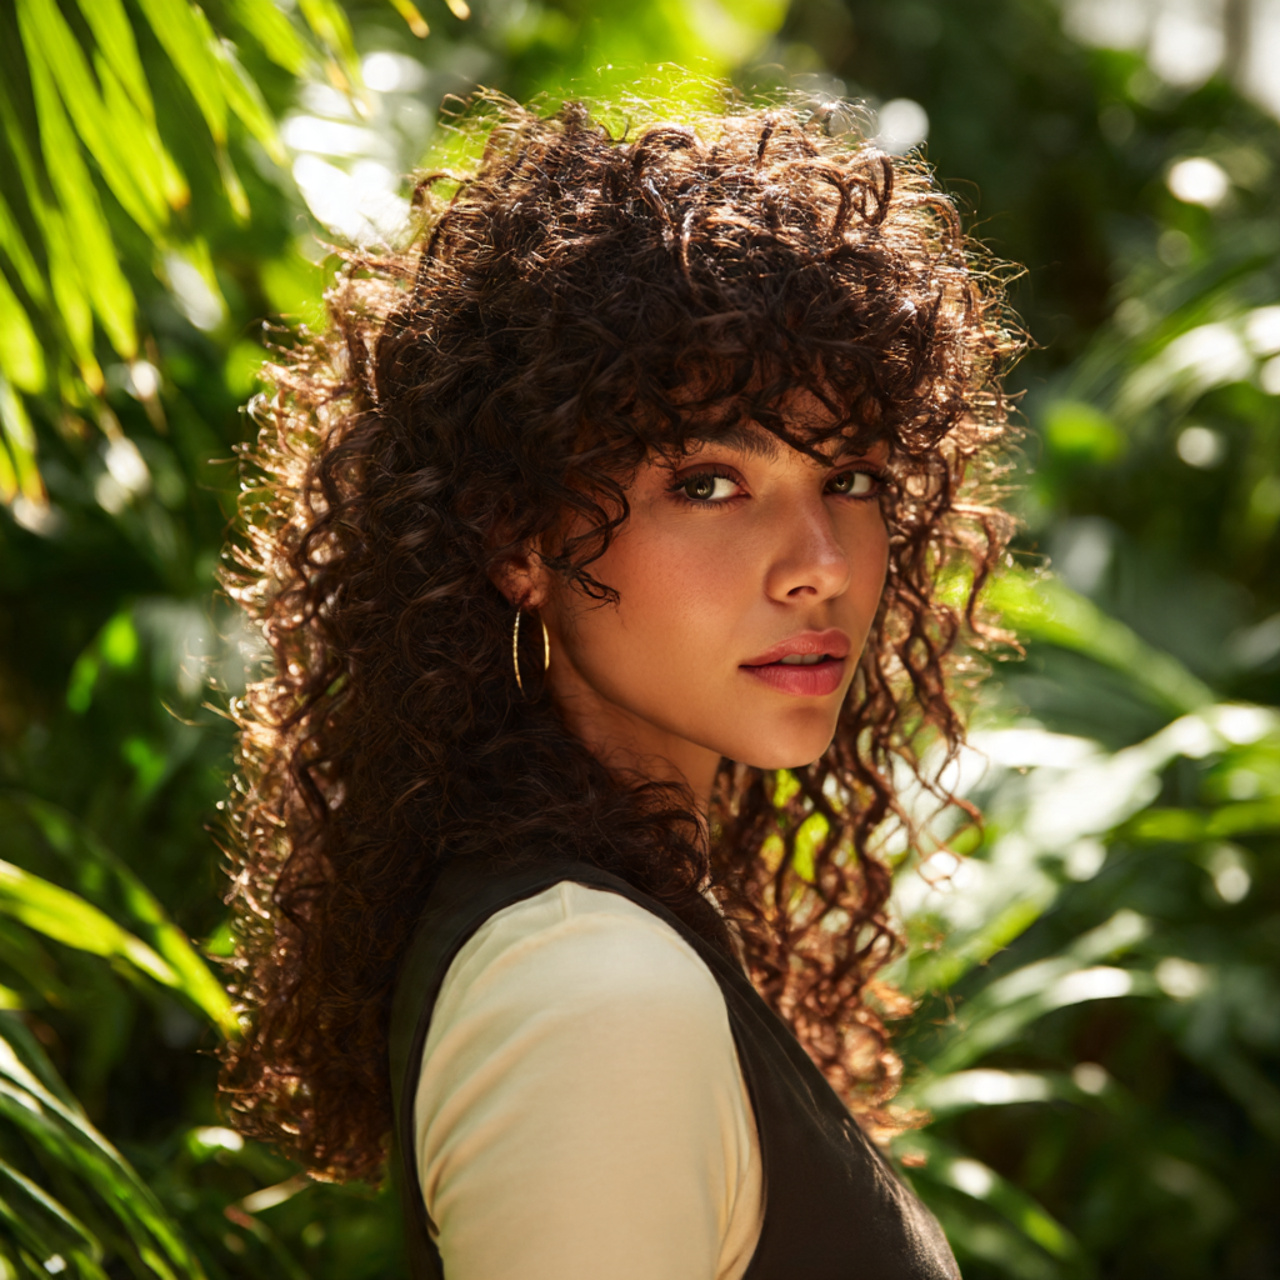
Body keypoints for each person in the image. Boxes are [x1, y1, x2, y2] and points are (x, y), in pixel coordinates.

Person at [219, 90, 1018, 1280]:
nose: (817, 565)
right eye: (705, 481)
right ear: (516, 539)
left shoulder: (613, 928)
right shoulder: (593, 991)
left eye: (848, 474)